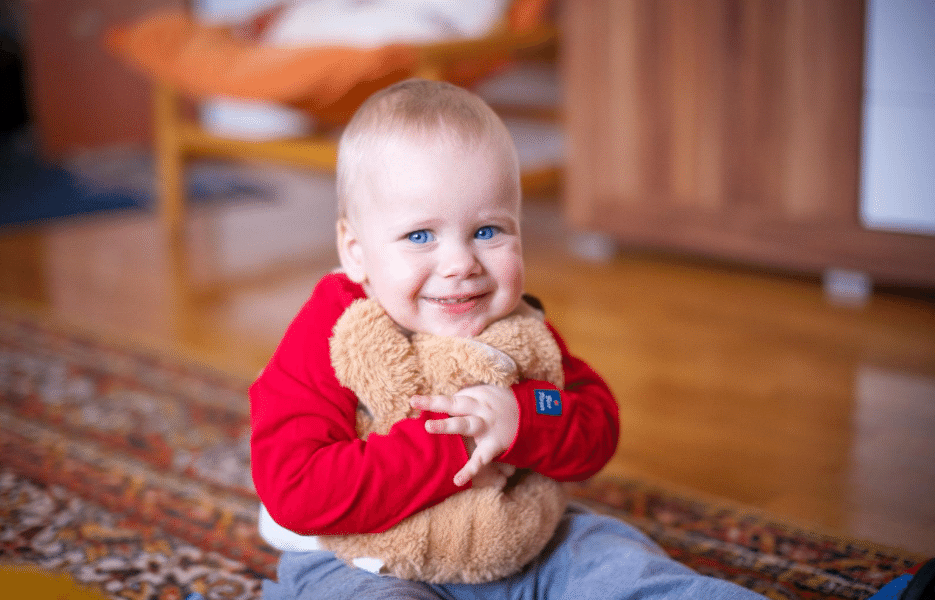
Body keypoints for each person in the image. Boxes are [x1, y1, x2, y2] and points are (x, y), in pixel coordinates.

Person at [249, 78, 767, 599]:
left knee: (616, 560)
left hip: (520, 545)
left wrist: (524, 417)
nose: (461, 264)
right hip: (365, 562)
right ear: (355, 249)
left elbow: (597, 424)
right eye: (420, 236)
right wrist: (460, 439)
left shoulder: (515, 325)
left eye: (488, 231)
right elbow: (294, 487)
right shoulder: (332, 333)